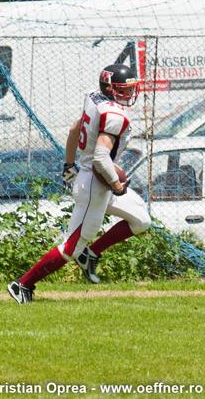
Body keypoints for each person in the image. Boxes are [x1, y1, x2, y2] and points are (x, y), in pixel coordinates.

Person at [8, 64, 151, 304]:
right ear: (108, 88)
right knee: (71, 246)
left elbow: (75, 129)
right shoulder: (114, 115)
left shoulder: (94, 99)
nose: (128, 95)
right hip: (96, 181)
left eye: (130, 90)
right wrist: (116, 184)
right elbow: (101, 158)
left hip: (96, 175)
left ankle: (91, 253)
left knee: (141, 220)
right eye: (123, 90)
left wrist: (68, 164)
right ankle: (23, 284)